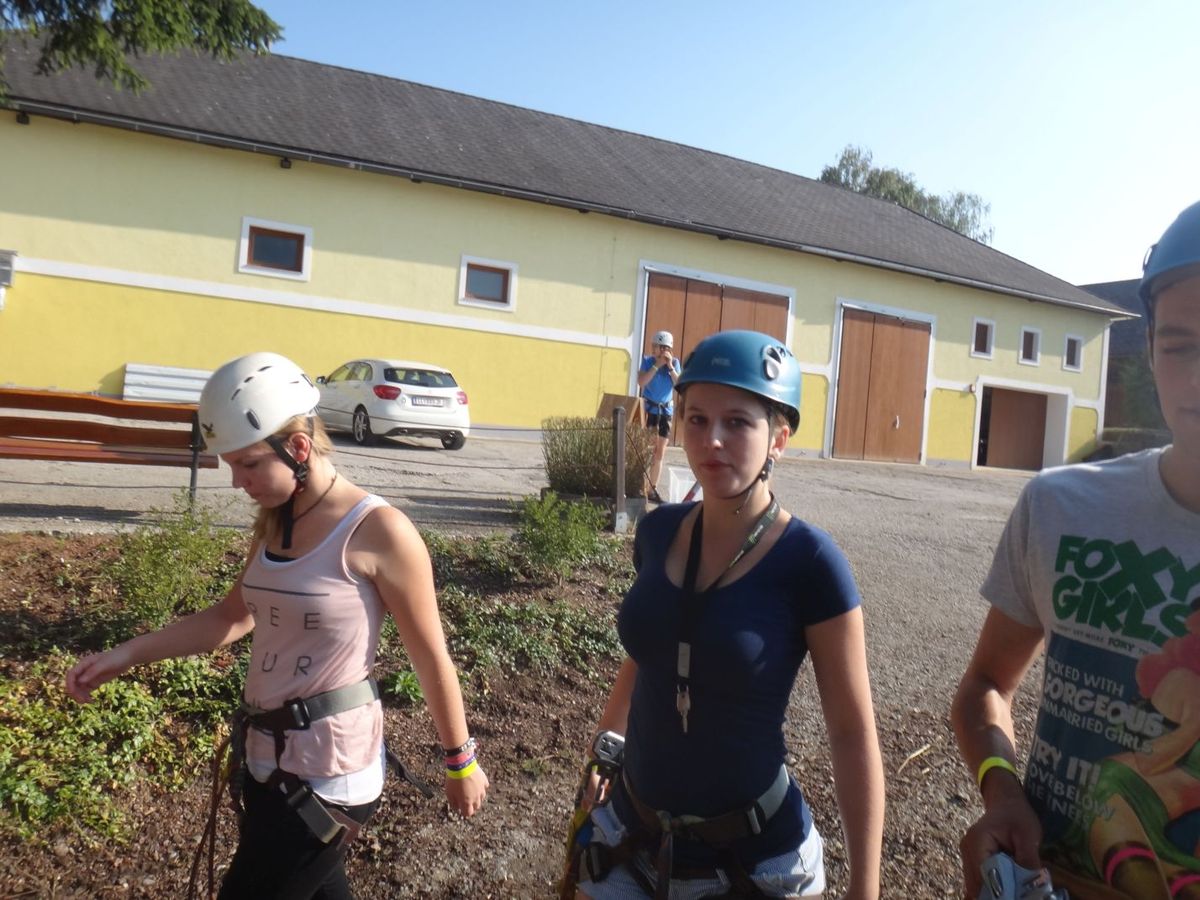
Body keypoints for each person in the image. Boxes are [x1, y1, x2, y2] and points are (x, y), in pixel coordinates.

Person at [65, 352, 489, 899]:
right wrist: (125, 654)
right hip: (266, 757)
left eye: (247, 464)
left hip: (330, 775)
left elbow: (431, 657)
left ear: (299, 449)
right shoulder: (274, 524)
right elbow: (230, 617)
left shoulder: (380, 531)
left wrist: (460, 761)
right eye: (230, 465)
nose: (236, 481)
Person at [573, 330, 885, 899]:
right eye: (696, 419)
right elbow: (648, 653)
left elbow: (851, 733)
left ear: (779, 439)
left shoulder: (811, 563)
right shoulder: (658, 532)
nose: (712, 439)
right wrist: (604, 746)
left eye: (737, 422)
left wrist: (865, 889)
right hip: (630, 838)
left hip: (754, 864)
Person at [952, 201, 1200, 900]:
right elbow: (985, 688)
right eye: (1180, 345)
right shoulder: (1061, 506)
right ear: (1149, 348)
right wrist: (1001, 790)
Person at [637, 330, 682, 504]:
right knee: (647, 449)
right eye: (655, 347)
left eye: (660, 347)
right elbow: (642, 382)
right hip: (650, 410)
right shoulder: (648, 361)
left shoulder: (674, 363)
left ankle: (652, 488)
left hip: (665, 412)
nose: (656, 350)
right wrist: (656, 365)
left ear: (667, 349)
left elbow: (679, 385)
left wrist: (669, 367)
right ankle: (641, 486)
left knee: (660, 451)